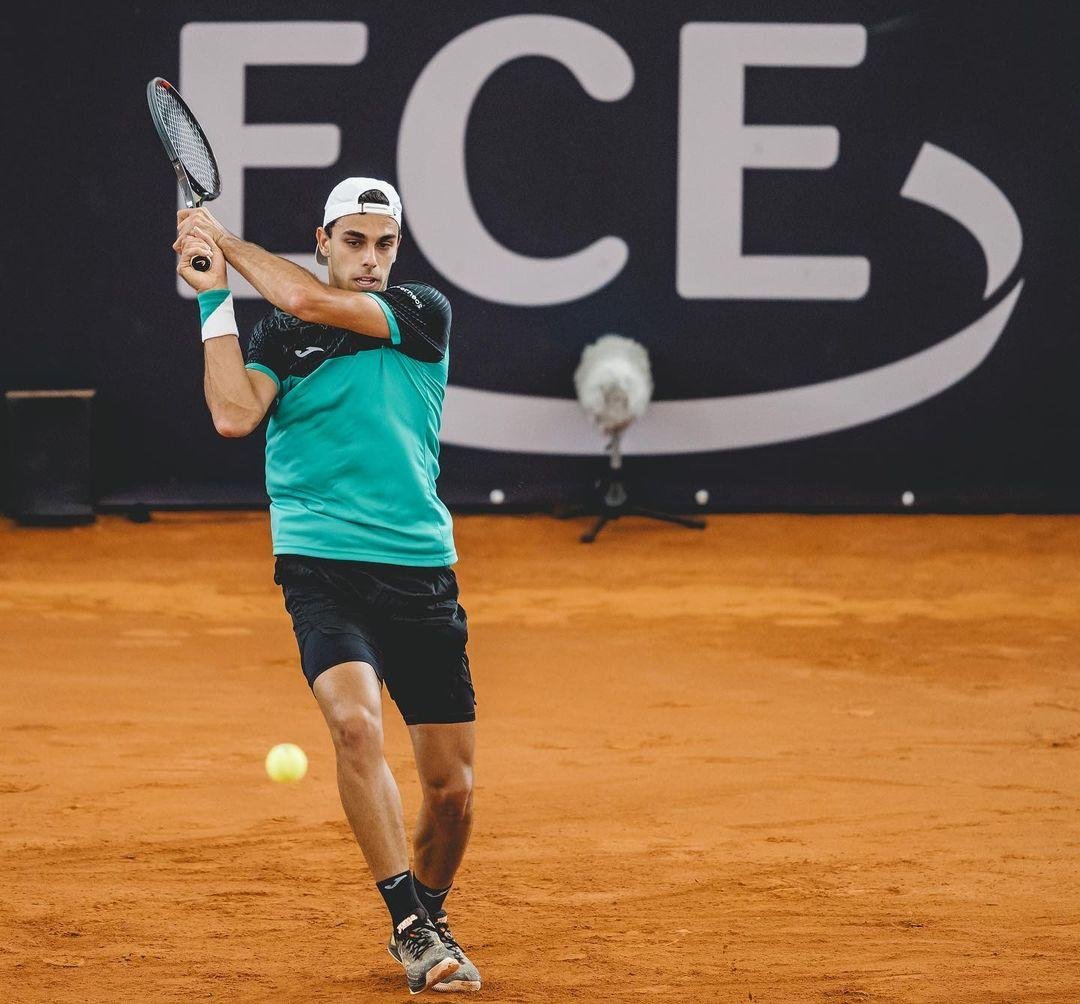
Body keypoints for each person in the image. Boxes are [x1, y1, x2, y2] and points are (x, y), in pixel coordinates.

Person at [173, 177, 480, 995]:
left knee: (451, 792)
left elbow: (311, 302)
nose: (371, 259)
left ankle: (434, 908)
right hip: (320, 563)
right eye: (355, 241)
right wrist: (213, 303)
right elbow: (235, 415)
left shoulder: (420, 314)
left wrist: (227, 246)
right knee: (353, 724)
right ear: (323, 239)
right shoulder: (280, 333)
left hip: (420, 572)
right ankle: (411, 929)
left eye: (384, 243)